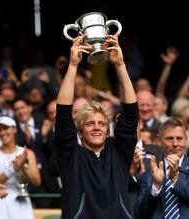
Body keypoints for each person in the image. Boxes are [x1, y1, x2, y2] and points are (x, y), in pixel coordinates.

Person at [54, 34, 138, 218]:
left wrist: (120, 65)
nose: (97, 127)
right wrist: (73, 66)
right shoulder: (71, 155)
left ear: (108, 130)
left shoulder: (119, 152)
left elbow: (131, 113)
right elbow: (62, 114)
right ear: (80, 131)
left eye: (101, 124)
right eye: (90, 124)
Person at [134, 117, 189, 219]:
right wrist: (156, 186)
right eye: (169, 139)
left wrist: (177, 180)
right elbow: (139, 213)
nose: (175, 144)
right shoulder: (149, 175)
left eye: (179, 138)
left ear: (185, 140)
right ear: (159, 140)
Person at [0, 116, 41, 219]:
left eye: (5, 128)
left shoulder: (27, 153)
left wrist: (23, 166)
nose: (2, 133)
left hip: (21, 202)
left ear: (14, 129)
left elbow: (37, 181)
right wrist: (13, 168)